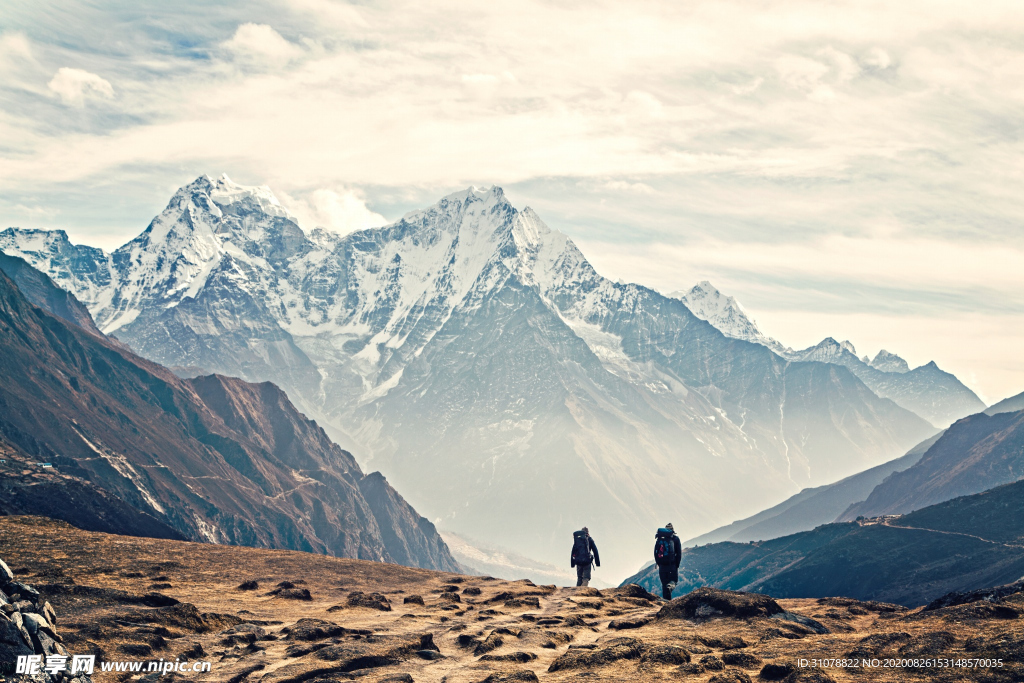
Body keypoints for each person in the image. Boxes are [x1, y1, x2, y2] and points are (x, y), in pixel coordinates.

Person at [653, 523, 682, 600]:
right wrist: (676, 565)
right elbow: (679, 554)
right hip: (672, 565)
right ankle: (670, 588)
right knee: (673, 581)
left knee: (664, 584)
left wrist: (659, 563)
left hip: (662, 566)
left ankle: (666, 602)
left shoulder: (660, 539)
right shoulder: (675, 539)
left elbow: (655, 552)